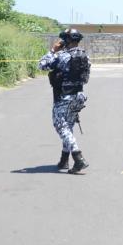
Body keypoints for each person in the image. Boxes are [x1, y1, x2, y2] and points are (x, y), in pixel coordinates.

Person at [38, 28, 91, 174]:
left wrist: (53, 50)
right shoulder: (85, 56)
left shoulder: (62, 56)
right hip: (78, 96)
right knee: (68, 127)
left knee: (61, 127)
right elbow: (85, 78)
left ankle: (78, 158)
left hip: (63, 97)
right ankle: (64, 160)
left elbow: (42, 65)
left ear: (66, 41)